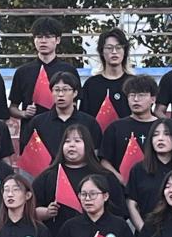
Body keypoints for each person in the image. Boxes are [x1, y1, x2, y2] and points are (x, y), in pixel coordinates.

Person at [8, 16, 80, 153]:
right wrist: (24, 113)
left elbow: (76, 104)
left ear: (57, 40)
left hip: (63, 134)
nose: (43, 41)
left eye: (48, 37)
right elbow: (12, 107)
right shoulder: (23, 72)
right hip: (32, 135)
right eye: (39, 37)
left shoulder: (69, 70)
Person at [126, 119, 172, 231]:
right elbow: (131, 203)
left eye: (167, 134)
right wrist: (143, 230)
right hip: (148, 233)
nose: (160, 138)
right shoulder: (139, 169)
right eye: (155, 135)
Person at [29, 71, 103, 159]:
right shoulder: (38, 122)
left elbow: (95, 154)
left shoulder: (89, 122)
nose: (60, 94)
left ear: (75, 93)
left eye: (65, 90)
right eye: (57, 90)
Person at [100, 75, 159, 183]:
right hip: (122, 187)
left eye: (141, 95)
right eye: (132, 95)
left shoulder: (162, 127)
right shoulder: (115, 127)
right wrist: (120, 179)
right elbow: (104, 161)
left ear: (153, 99)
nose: (136, 99)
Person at [79, 28, 133, 120]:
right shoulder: (91, 84)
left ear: (125, 51)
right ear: (101, 52)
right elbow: (83, 119)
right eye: (109, 48)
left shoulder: (133, 83)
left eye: (118, 47)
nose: (114, 52)